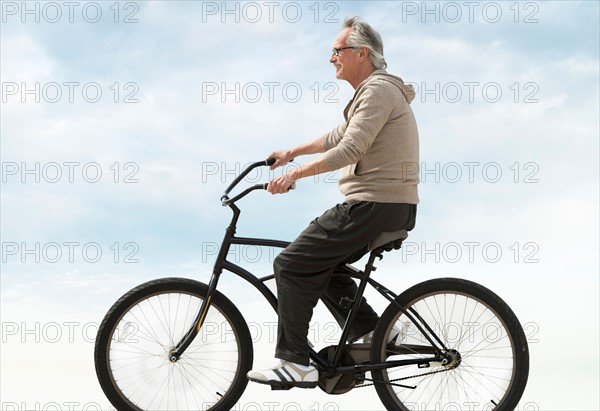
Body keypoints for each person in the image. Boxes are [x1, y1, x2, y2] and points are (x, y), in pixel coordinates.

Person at [247, 16, 419, 388]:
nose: (331, 58)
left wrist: (295, 174)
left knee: (291, 264)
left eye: (337, 50)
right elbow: (337, 135)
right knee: (325, 267)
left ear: (361, 53)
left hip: (374, 203)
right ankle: (375, 332)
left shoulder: (379, 91)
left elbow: (351, 148)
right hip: (383, 204)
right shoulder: (372, 93)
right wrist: (291, 152)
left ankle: (294, 362)